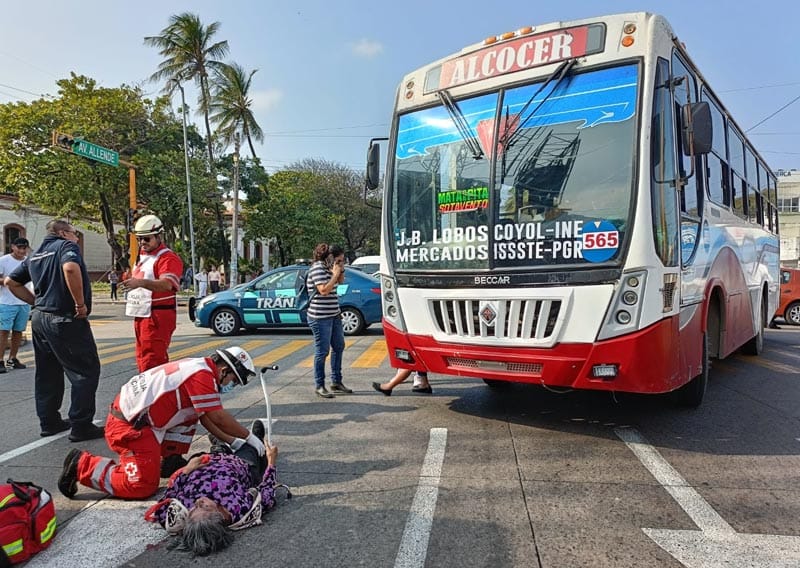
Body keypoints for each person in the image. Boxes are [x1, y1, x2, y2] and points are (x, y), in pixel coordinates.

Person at [57, 346, 265, 500]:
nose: (231, 386)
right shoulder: (201, 375)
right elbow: (218, 416)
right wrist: (248, 437)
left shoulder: (198, 367)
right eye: (233, 381)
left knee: (190, 414)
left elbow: (205, 416)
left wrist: (233, 442)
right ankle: (82, 466)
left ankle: (169, 459)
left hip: (140, 418)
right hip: (130, 428)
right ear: (224, 371)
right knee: (142, 486)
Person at [5, 220, 104, 442]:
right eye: (74, 233)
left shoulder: (35, 254)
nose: (76, 238)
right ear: (62, 233)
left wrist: (35, 302)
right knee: (85, 371)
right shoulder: (65, 247)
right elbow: (69, 268)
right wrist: (79, 304)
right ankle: (81, 425)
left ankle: (49, 421)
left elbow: (12, 282)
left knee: (48, 372)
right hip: (65, 318)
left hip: (41, 320)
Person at [143, 423, 283, 556]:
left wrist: (188, 469)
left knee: (198, 455)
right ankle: (257, 449)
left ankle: (220, 446)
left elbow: (168, 496)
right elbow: (267, 494)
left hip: (204, 462)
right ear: (220, 514)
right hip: (239, 465)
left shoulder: (181, 511)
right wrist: (271, 463)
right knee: (250, 450)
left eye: (192, 510)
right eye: (204, 507)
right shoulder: (240, 510)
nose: (198, 503)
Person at [121, 215, 183, 373]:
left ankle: (154, 394)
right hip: (142, 313)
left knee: (152, 360)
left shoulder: (167, 258)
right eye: (139, 239)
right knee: (143, 357)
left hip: (157, 315)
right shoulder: (142, 256)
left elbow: (167, 284)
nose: (142, 243)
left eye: (146, 239)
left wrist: (140, 283)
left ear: (158, 236)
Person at [306, 243, 352, 398]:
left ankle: (336, 382)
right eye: (339, 260)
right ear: (330, 257)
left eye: (342, 260)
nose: (340, 263)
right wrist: (334, 274)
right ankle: (319, 385)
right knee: (322, 351)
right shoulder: (318, 268)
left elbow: (341, 282)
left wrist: (340, 270)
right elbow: (324, 290)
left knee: (339, 346)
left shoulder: (329, 267)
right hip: (320, 317)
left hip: (334, 314)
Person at [0, 238, 32, 373]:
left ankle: (13, 358)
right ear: (12, 247)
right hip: (7, 302)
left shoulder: (28, 261)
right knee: (3, 332)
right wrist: (12, 282)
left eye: (24, 248)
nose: (22, 250)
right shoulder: (4, 260)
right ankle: (0, 360)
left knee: (18, 331)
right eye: (19, 247)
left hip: (23, 302)